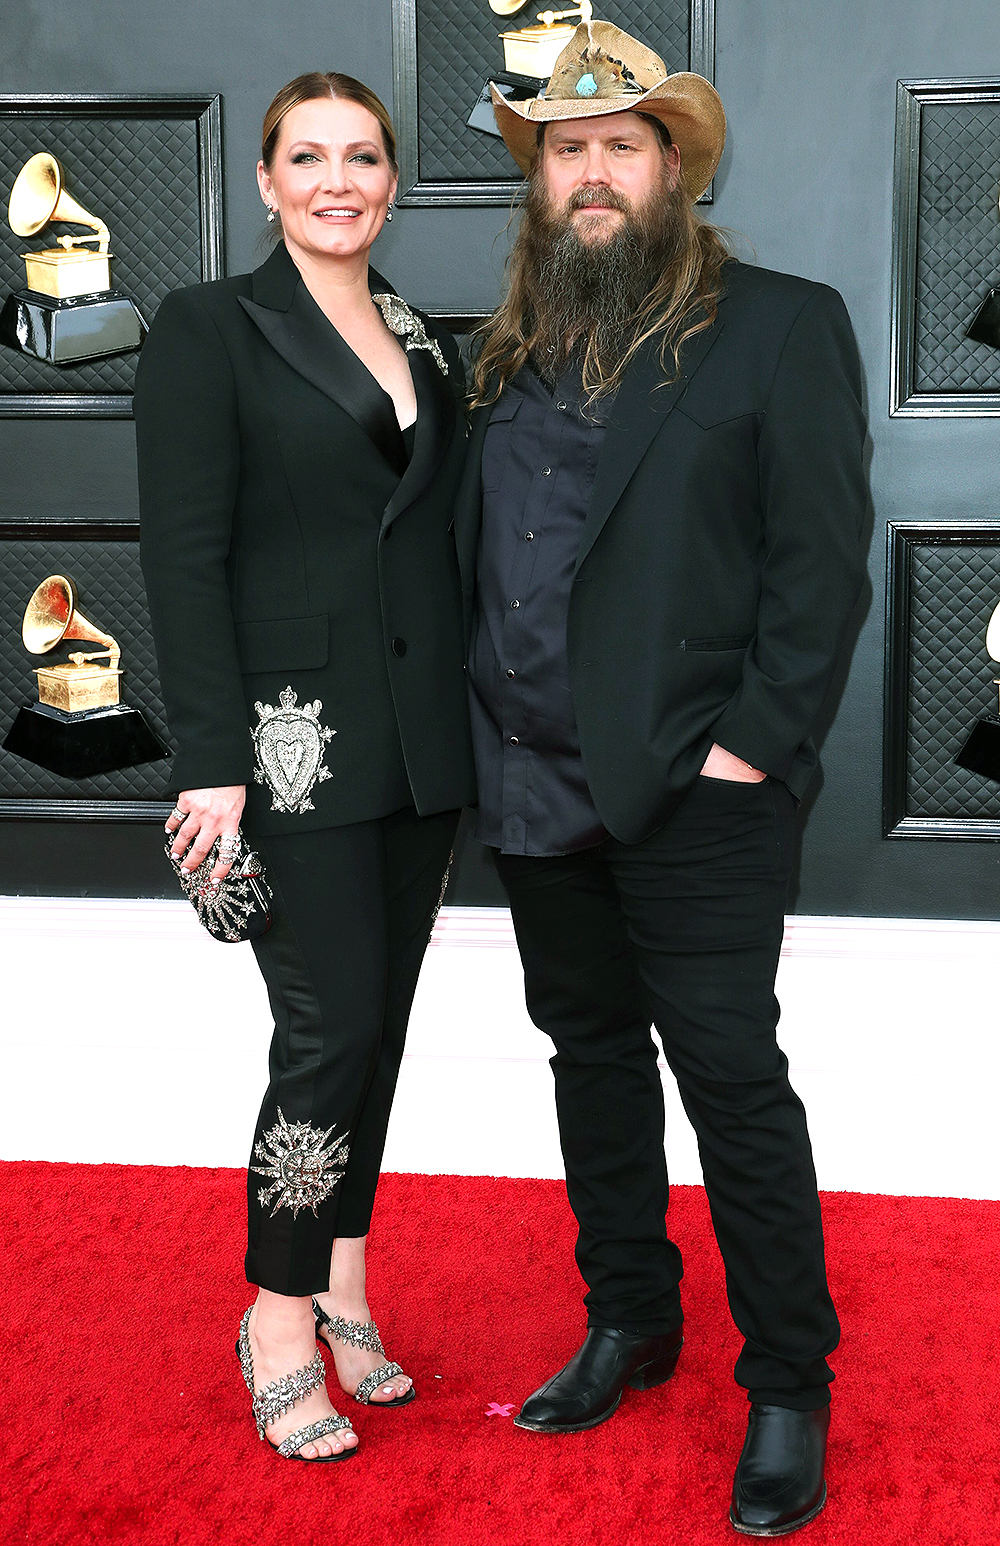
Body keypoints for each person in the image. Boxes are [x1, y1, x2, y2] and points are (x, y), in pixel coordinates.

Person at [454, 21, 867, 1537]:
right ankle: (632, 1313)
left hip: (703, 789)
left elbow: (822, 569)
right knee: (591, 1063)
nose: (595, 171)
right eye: (568, 149)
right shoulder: (497, 352)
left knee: (728, 1077)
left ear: (675, 166)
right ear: (541, 180)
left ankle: (788, 1376)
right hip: (531, 786)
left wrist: (749, 746)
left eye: (624, 144)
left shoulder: (779, 322)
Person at [134, 71, 475, 1464]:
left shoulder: (422, 335)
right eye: (310, 158)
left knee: (377, 1030)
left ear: (391, 182)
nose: (340, 180)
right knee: (326, 1031)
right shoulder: (210, 328)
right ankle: (276, 1318)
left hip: (419, 744)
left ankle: (342, 1281)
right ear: (266, 183)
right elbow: (183, 554)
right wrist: (213, 762)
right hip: (290, 746)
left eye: (365, 157)